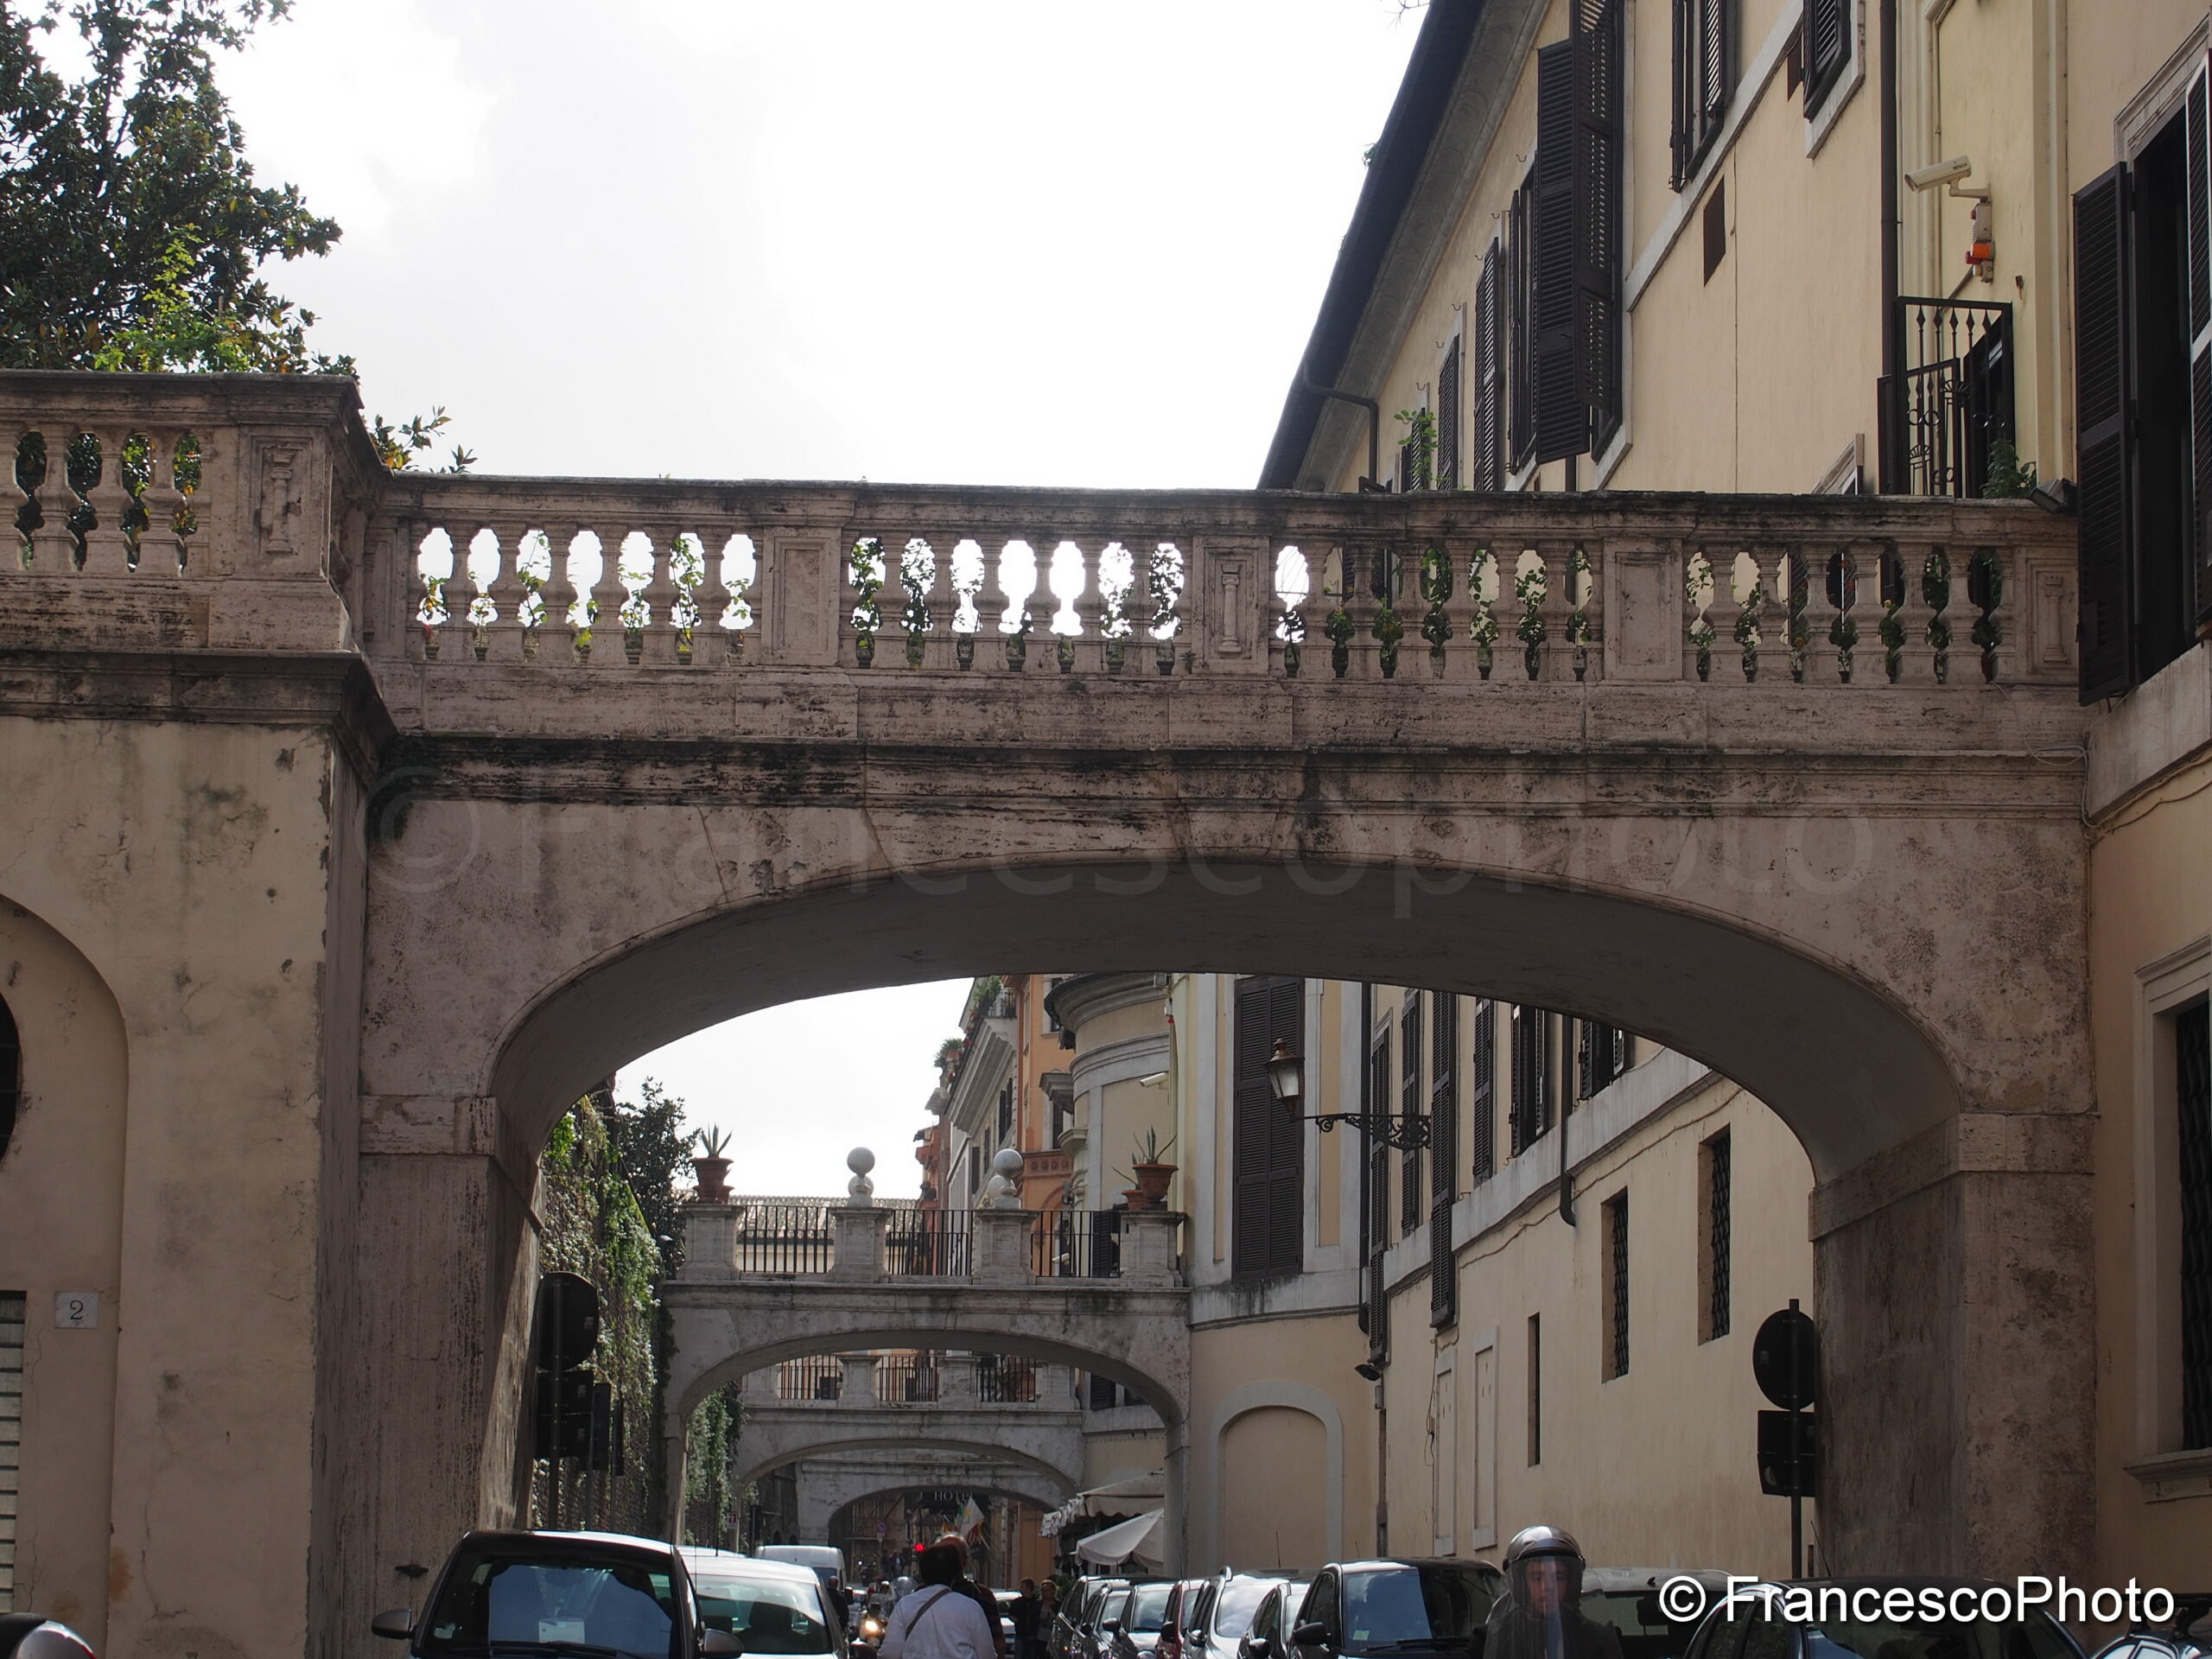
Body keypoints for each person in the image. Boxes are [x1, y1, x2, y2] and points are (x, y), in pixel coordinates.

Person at [1483, 1527, 1623, 1659]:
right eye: (1537, 1578)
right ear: (1522, 1584)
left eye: (1558, 1578)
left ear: (1571, 1583)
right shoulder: (1492, 1638)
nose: (1548, 1587)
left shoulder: (1597, 1639)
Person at [883, 1544, 1001, 1659]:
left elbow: (890, 1653)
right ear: (955, 1574)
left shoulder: (905, 1605)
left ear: (922, 1572)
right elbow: (987, 1654)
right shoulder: (972, 1608)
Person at [932, 1534, 1009, 1659]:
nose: (948, 1561)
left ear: (965, 1559)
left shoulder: (982, 1595)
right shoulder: (921, 1594)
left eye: (953, 1556)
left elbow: (998, 1642)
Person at [1012, 1579, 1042, 1659]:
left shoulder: (1037, 1602)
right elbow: (1011, 1614)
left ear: (1029, 1588)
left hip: (1034, 1636)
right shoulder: (1016, 1602)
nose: (1020, 1588)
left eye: (1022, 1586)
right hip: (1020, 1634)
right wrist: (1018, 1621)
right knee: (1019, 1654)